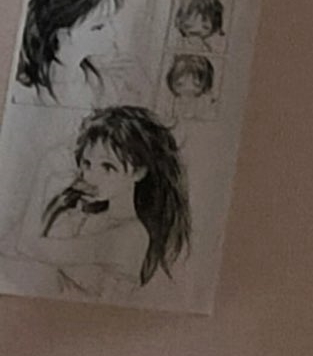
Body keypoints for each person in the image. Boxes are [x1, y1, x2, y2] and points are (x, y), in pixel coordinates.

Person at [0, 104, 192, 302]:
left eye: (107, 167)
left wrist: (44, 173)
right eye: (87, 164)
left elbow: (28, 246)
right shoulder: (87, 216)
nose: (90, 176)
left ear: (138, 172)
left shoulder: (131, 234)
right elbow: (12, 247)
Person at [13, 0, 138, 109]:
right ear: (63, 35)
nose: (113, 32)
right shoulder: (26, 93)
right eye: (98, 27)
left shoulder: (97, 81)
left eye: (111, 21)